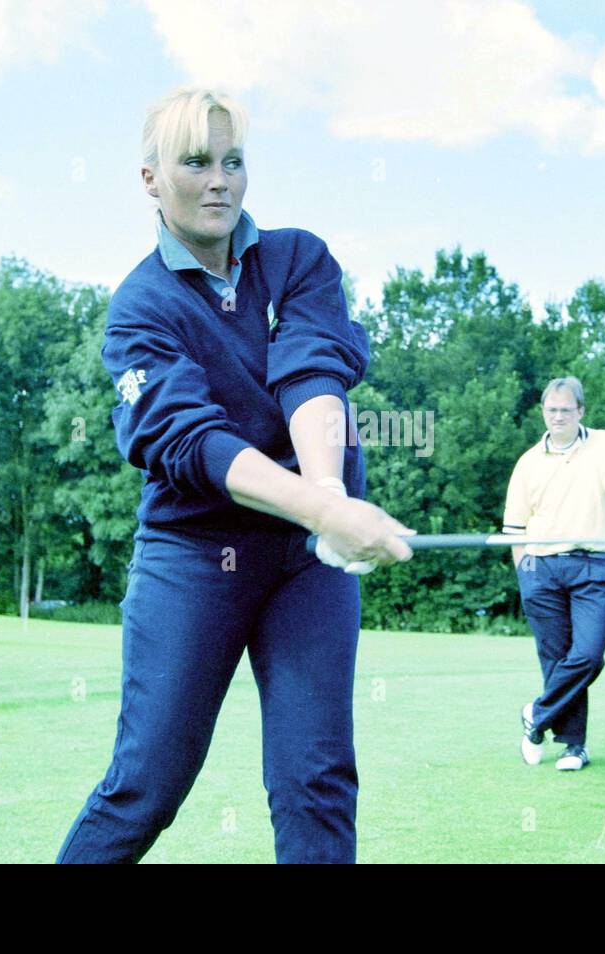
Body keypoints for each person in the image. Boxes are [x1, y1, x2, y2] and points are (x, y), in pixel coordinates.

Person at [56, 87, 413, 865]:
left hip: (305, 565)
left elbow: (311, 370)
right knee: (148, 781)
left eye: (233, 161)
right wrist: (325, 511)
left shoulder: (297, 259)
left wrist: (324, 500)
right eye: (195, 162)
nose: (219, 181)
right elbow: (193, 441)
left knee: (315, 780)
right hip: (194, 558)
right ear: (150, 178)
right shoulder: (140, 308)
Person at [502, 377, 605, 771]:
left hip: (593, 564)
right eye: (551, 410)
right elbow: (514, 528)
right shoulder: (528, 462)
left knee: (587, 655)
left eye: (566, 410)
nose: (558, 417)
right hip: (541, 568)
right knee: (555, 659)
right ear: (543, 412)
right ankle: (573, 746)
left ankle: (536, 715)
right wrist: (525, 573)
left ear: (580, 411)